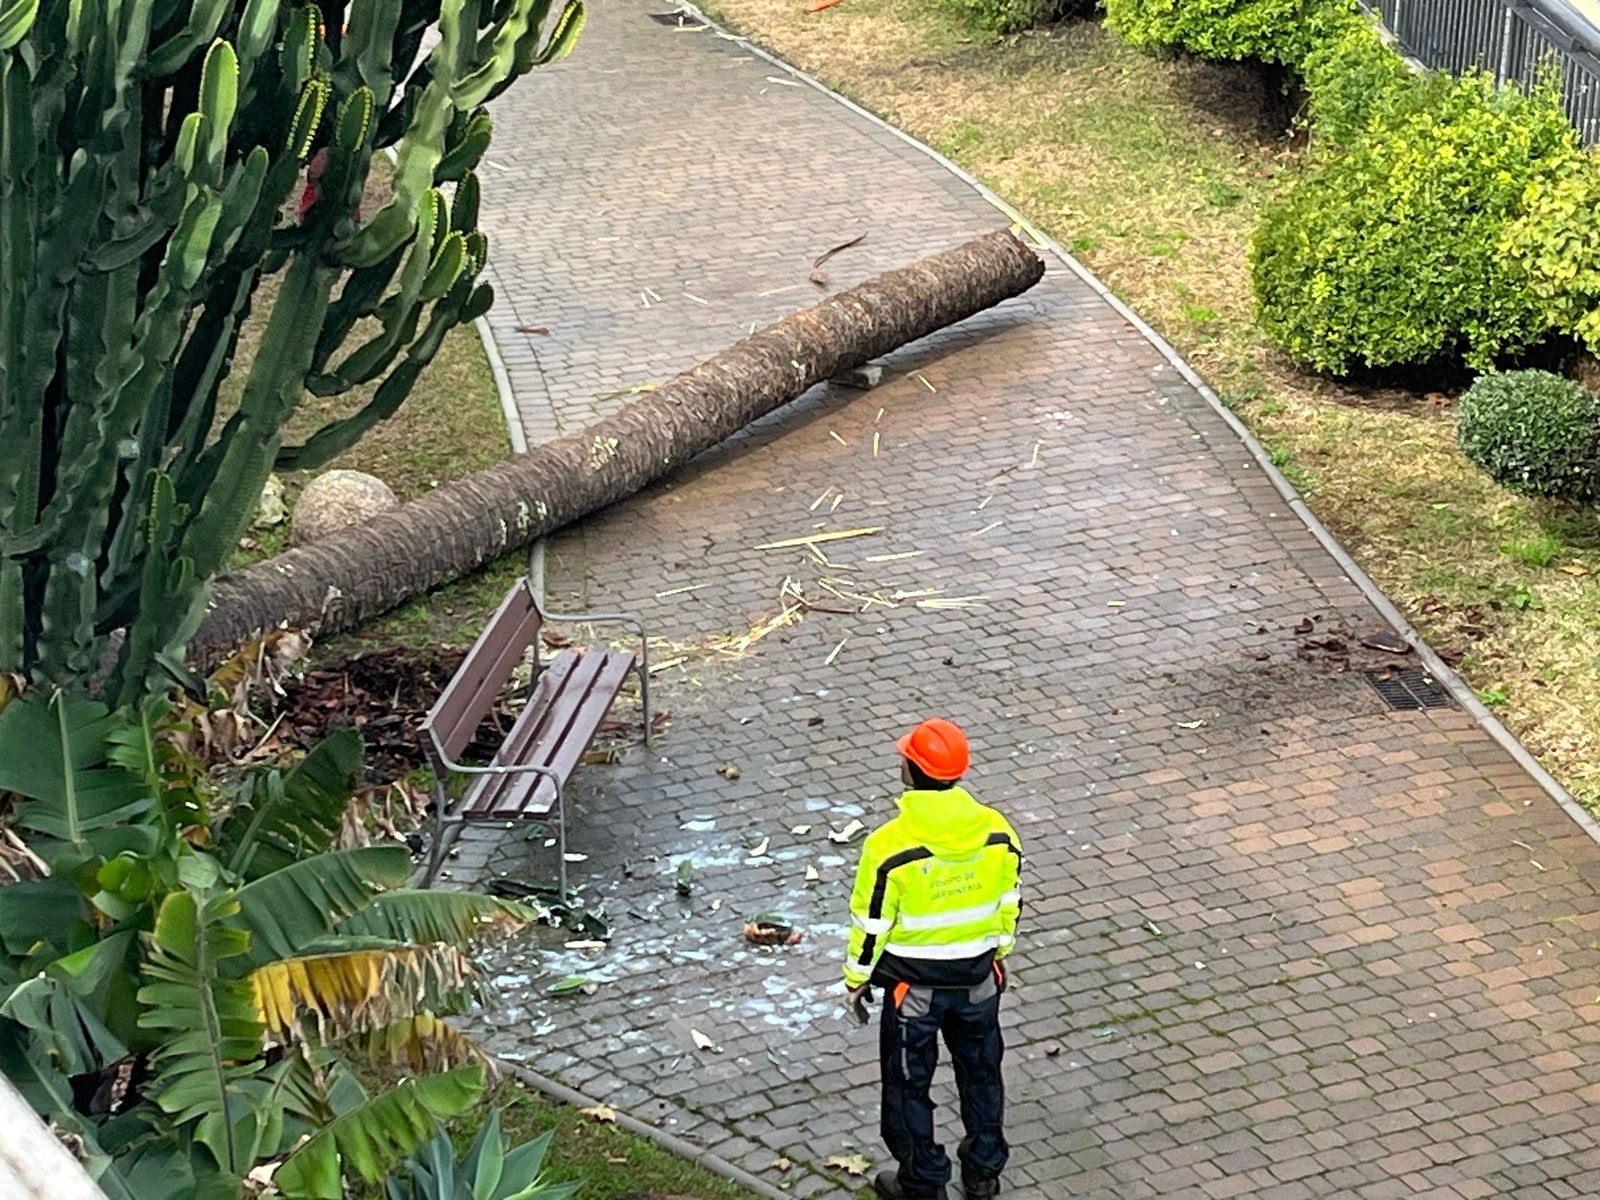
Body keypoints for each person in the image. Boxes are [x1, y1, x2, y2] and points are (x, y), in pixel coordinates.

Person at [843, 718, 1023, 1200]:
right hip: (980, 981)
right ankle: (984, 1173)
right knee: (982, 1074)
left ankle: (922, 1182)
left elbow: (872, 924)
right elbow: (1010, 902)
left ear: (912, 769)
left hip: (913, 992)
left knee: (907, 1086)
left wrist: (855, 979)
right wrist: (998, 953)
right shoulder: (998, 831)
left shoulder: (888, 846)